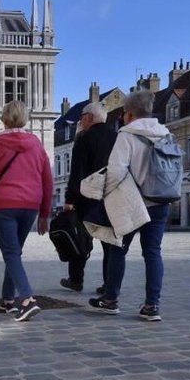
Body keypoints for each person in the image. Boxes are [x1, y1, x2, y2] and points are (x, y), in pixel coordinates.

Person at [88, 90, 171, 321]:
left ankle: (110, 299)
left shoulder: (127, 135)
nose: (123, 117)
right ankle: (152, 305)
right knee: (153, 252)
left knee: (118, 249)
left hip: (132, 202)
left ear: (131, 114)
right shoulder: (165, 133)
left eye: (124, 113)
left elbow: (115, 170)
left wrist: (104, 192)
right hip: (160, 200)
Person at [0, 99, 53, 322]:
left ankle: (27, 300)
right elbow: (48, 181)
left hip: (4, 205)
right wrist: (45, 214)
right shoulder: (36, 144)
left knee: (11, 252)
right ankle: (8, 300)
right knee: (14, 251)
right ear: (25, 118)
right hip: (30, 206)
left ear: (3, 119)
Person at [61, 101, 116, 293]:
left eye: (82, 116)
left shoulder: (84, 138)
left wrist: (69, 200)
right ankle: (109, 283)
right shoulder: (116, 137)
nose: (80, 120)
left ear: (89, 117)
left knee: (80, 241)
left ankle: (76, 280)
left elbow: (77, 173)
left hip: (86, 199)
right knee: (109, 243)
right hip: (111, 197)